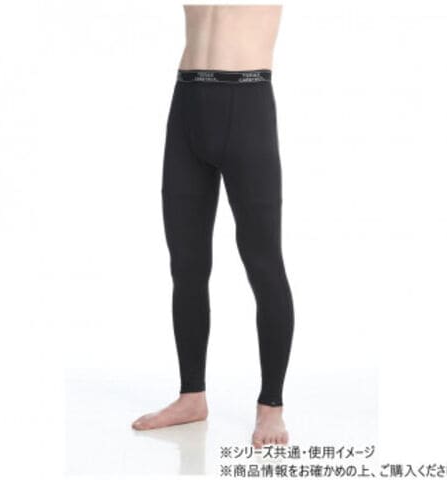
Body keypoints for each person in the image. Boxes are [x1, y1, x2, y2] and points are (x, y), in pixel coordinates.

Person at [132, 5, 295, 448]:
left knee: (264, 264)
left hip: (247, 102)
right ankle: (191, 397)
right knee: (186, 265)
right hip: (187, 103)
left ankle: (271, 406)